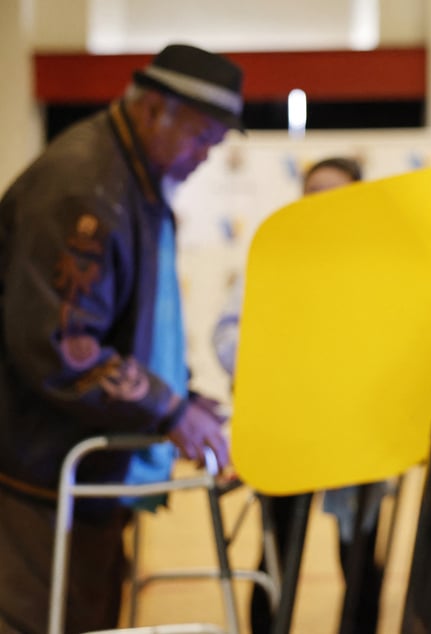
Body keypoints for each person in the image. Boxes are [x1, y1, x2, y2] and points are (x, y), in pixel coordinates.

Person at [0, 43, 243, 634]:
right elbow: (63, 345)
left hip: (79, 475)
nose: (204, 157)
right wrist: (169, 410)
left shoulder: (134, 175)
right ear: (154, 108)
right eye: (200, 137)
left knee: (92, 615)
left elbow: (131, 320)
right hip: (34, 478)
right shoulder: (85, 188)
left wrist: (180, 393)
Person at [212, 156, 388, 634]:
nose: (321, 203)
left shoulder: (379, 264)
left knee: (358, 555)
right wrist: (276, 367)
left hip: (359, 435)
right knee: (277, 550)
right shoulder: (274, 254)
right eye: (313, 192)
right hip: (287, 429)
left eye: (335, 193)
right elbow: (228, 335)